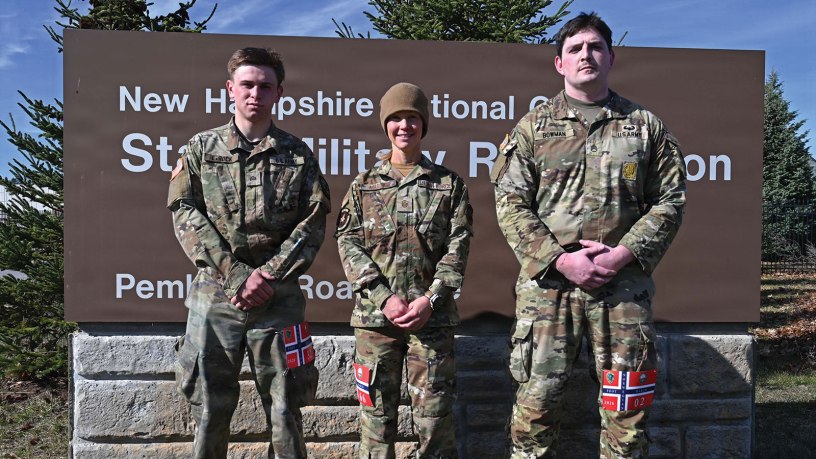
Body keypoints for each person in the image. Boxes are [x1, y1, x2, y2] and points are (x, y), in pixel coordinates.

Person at [491, 12, 687, 459]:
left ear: (611, 57)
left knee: (627, 418)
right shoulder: (532, 129)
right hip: (548, 293)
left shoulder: (645, 127)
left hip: (622, 293)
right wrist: (562, 260)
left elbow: (670, 201)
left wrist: (621, 255)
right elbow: (509, 203)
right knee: (534, 413)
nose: (586, 55)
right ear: (558, 63)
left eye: (595, 47)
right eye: (575, 49)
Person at [167, 47, 330, 459]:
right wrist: (239, 276)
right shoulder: (201, 149)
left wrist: (268, 276)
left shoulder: (299, 155)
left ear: (278, 93)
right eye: (247, 85)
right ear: (230, 89)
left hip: (280, 301)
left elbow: (312, 223)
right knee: (210, 409)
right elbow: (186, 214)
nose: (255, 93)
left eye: (265, 86)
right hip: (216, 301)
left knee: (285, 410)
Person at [335, 82, 474, 458]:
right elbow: (348, 243)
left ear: (423, 124)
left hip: (432, 322)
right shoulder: (363, 187)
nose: (404, 126)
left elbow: (457, 247)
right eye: (395, 118)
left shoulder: (449, 185)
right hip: (375, 324)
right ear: (386, 125)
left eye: (412, 118)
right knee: (376, 423)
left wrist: (431, 299)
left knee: (435, 422)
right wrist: (383, 298)